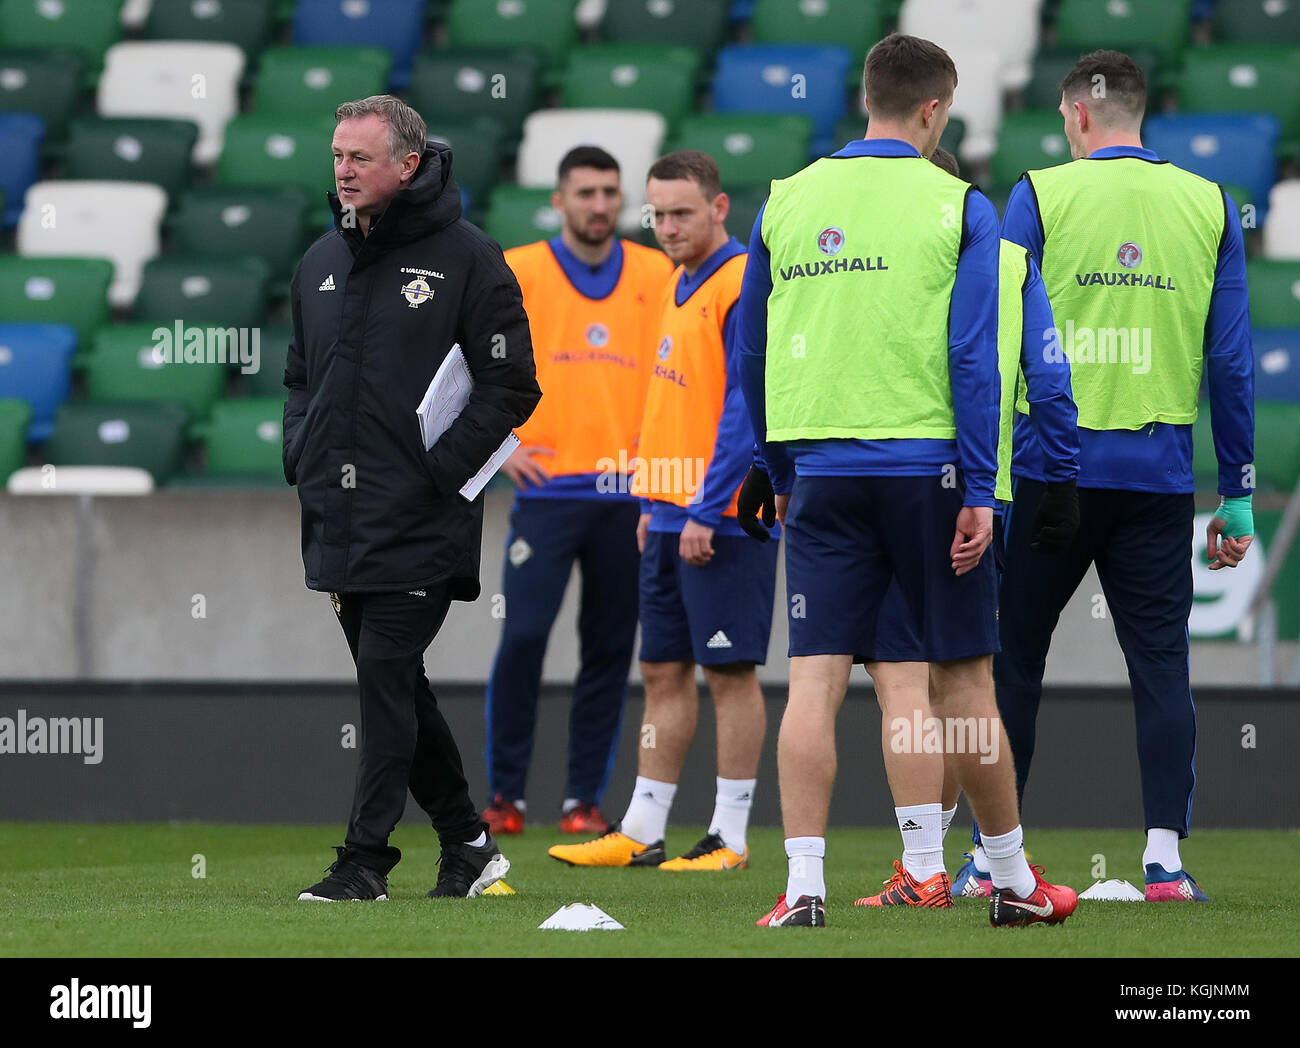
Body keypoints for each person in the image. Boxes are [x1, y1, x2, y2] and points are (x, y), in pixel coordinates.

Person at [735, 33, 1077, 928]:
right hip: (926, 468)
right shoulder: (961, 204)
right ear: (934, 110)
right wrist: (976, 489)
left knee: (810, 679)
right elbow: (973, 356)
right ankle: (1011, 882)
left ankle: (802, 889)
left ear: (866, 96)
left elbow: (754, 353)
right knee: (963, 679)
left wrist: (775, 470)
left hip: (817, 468)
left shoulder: (784, 201)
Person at [994, 50, 1255, 902]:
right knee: (1161, 667)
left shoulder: (1037, 193)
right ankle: (1163, 862)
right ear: (1141, 115)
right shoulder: (1209, 203)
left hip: (1047, 475)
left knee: (1010, 665)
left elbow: (997, 343)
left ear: (1076, 117)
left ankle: (993, 857)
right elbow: (1231, 362)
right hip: (1158, 478)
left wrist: (979, 481)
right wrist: (1240, 494)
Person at [283, 95, 541, 901]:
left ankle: (363, 863)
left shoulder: (468, 259)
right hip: (337, 516)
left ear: (408, 163)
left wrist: (440, 468)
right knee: (395, 685)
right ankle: (467, 844)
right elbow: (300, 377)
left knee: (385, 676)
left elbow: (512, 384)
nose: (345, 170)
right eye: (337, 156)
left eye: (360, 158)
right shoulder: (319, 261)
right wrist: (301, 450)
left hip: (422, 518)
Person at [852, 146, 1080, 908]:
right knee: (963, 680)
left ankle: (922, 867)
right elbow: (1050, 376)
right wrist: (1061, 476)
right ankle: (975, 862)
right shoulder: (1012, 258)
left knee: (903, 683)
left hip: (898, 479)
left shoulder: (878, 257)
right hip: (996, 489)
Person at [547, 150, 779, 872]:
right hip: (671, 509)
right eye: (659, 214)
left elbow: (745, 407)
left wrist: (710, 507)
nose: (668, 227)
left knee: (730, 673)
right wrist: (653, 497)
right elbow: (672, 399)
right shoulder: (680, 281)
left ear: (718, 210)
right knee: (663, 670)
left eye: (683, 213)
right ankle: (643, 826)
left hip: (726, 516)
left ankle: (731, 836)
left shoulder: (741, 281)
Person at [480, 147, 674, 838]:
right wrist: (501, 447)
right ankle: (504, 795)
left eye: (610, 193)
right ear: (558, 200)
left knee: (609, 647)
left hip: (629, 494)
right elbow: (459, 360)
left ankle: (581, 800)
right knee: (525, 637)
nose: (599, 205)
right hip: (549, 491)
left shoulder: (656, 271)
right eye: (586, 193)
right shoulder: (518, 269)